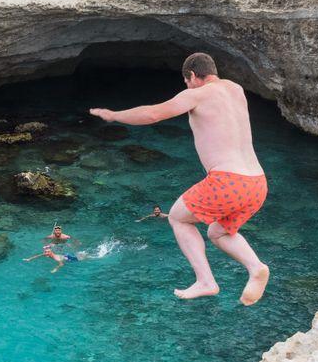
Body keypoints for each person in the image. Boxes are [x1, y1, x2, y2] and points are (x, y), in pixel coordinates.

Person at [90, 52, 270, 306]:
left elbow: (153, 114)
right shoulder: (235, 89)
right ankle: (256, 268)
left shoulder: (196, 94)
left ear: (193, 76)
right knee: (218, 232)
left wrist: (114, 115)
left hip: (229, 180)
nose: (185, 86)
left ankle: (206, 280)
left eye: (186, 81)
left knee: (177, 217)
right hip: (257, 183)